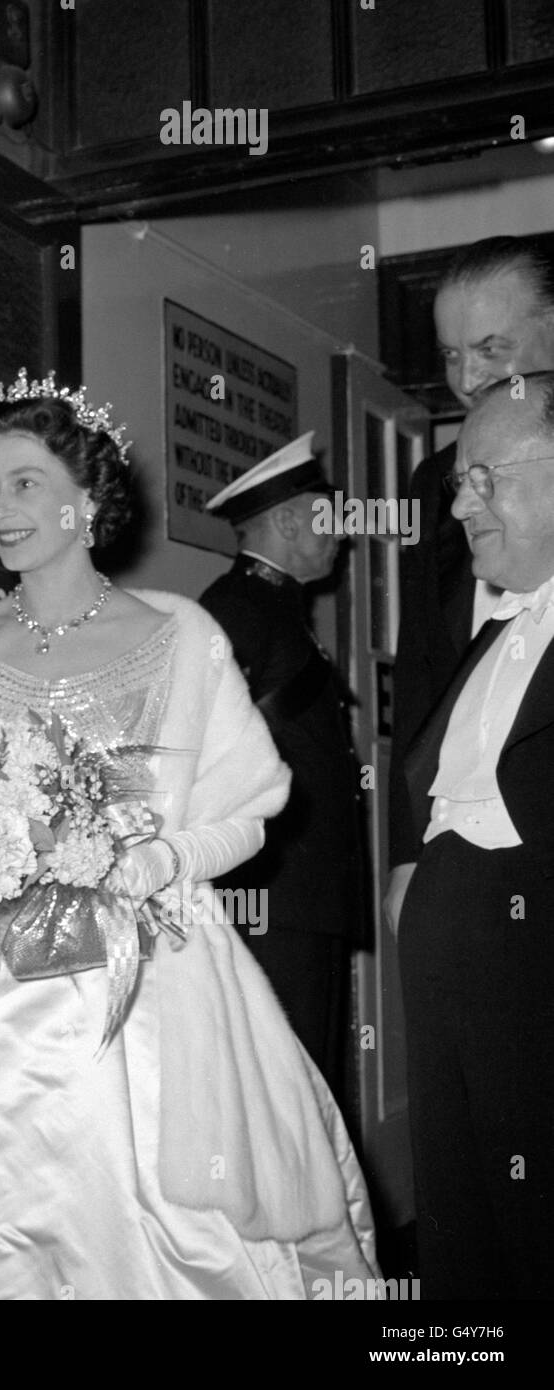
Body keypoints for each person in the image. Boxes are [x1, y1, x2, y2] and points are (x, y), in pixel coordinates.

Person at [0, 370, 378, 1299]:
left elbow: (249, 808)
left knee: (145, 1231)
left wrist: (163, 858)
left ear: (88, 499)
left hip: (143, 986)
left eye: (26, 483)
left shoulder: (181, 634)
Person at [399, 372, 554, 1301]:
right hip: (452, 958)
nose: (461, 503)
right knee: (463, 1233)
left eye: (483, 476)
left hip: (529, 964)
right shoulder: (494, 628)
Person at [386, 236, 554, 935]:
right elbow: (423, 677)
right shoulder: (433, 490)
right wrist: (405, 855)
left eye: (491, 347)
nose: (467, 377)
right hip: (465, 852)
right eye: (452, 355)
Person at [199, 434, 367, 1102]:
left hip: (300, 895)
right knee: (286, 1098)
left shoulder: (275, 608)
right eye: (328, 516)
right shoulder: (239, 609)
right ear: (292, 521)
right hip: (272, 896)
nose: (342, 535)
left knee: (309, 1092)